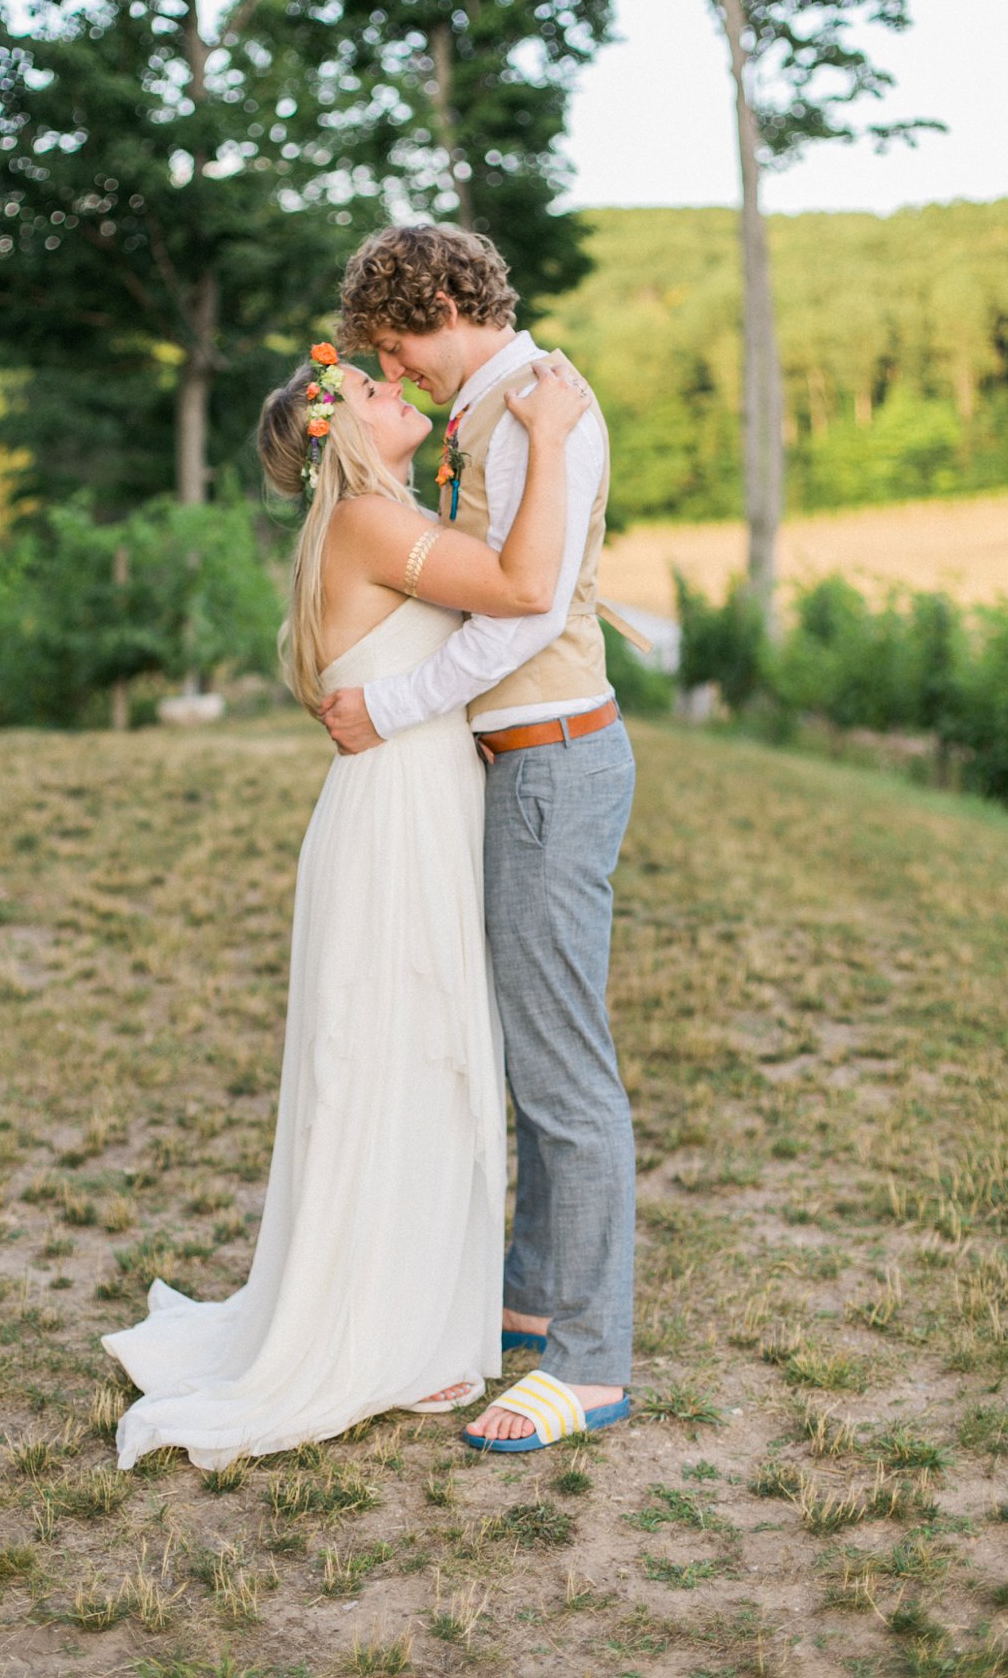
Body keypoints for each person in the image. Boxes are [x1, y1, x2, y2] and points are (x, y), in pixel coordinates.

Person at [100, 335, 587, 1471]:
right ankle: (387, 1337)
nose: (392, 385)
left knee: (410, 1058)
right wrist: (552, 439)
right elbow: (525, 588)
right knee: (403, 1059)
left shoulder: (382, 523)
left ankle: (409, 1318)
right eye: (370, 387)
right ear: (344, 438)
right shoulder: (368, 523)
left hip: (407, 808)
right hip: (398, 822)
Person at [321, 224, 636, 1455]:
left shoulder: (539, 406)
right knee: (533, 1048)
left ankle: (588, 1364)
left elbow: (526, 607)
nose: (388, 368)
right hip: (523, 763)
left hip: (553, 759)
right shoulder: (495, 409)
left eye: (393, 343)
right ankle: (533, 1297)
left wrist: (392, 705)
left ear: (444, 305)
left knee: (562, 1069)